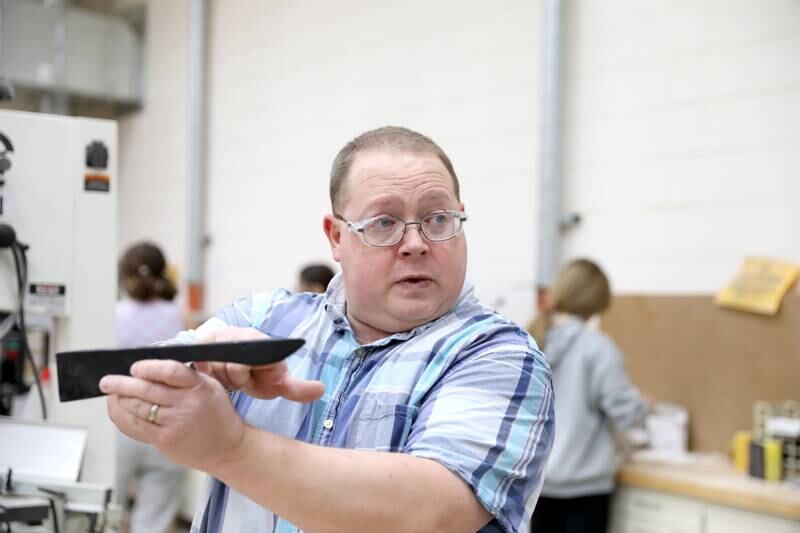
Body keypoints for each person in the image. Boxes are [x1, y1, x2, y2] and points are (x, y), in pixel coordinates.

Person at [100, 126, 555, 533]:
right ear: (336, 237)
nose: (415, 244)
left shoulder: (499, 356)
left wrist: (230, 448)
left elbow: (430, 514)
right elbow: (121, 393)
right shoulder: (263, 320)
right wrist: (186, 374)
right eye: (384, 223)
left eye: (438, 219)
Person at [528, 259, 649, 533]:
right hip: (585, 489)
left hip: (538, 485)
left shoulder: (534, 340)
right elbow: (624, 410)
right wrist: (643, 408)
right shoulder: (597, 347)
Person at [115, 242, 187, 533]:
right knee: (155, 519)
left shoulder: (115, 314)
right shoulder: (180, 314)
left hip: (120, 420)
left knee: (107, 509)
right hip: (170, 420)